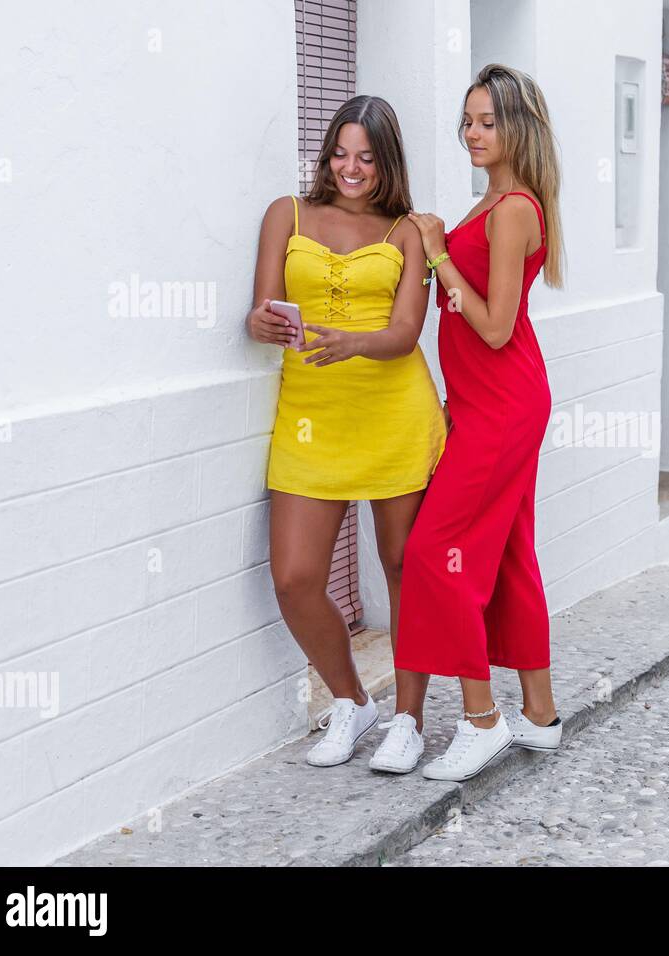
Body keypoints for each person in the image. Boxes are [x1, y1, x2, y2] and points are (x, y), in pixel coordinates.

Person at [372, 64, 565, 781]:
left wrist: (443, 252)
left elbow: (492, 326)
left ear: (517, 126)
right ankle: (539, 714)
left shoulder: (515, 207)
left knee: (434, 554)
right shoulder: (493, 203)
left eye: (487, 121)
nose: (473, 133)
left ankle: (482, 720)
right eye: (468, 121)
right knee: (510, 554)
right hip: (485, 404)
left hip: (504, 404)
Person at [245, 95, 447, 768]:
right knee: (296, 577)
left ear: (386, 162)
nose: (351, 168)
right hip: (311, 418)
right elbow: (260, 310)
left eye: (365, 156)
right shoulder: (289, 214)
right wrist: (262, 325)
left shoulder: (407, 232)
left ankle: (409, 720)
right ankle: (352, 701)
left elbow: (404, 333)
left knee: (403, 569)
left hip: (393, 412)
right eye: (340, 153)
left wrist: (351, 341)